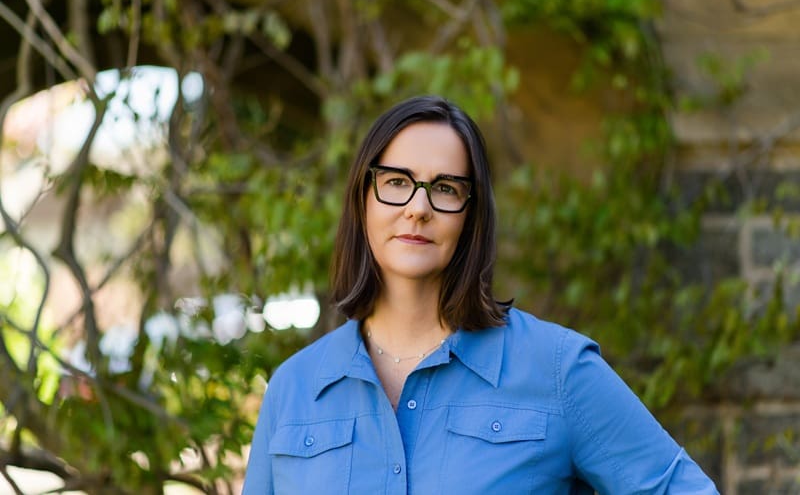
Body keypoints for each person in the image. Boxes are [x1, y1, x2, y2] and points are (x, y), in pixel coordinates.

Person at [242, 95, 718, 494]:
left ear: (472, 215)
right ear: (362, 199)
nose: (418, 208)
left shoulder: (556, 369)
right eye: (396, 183)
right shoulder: (294, 389)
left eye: (445, 188)